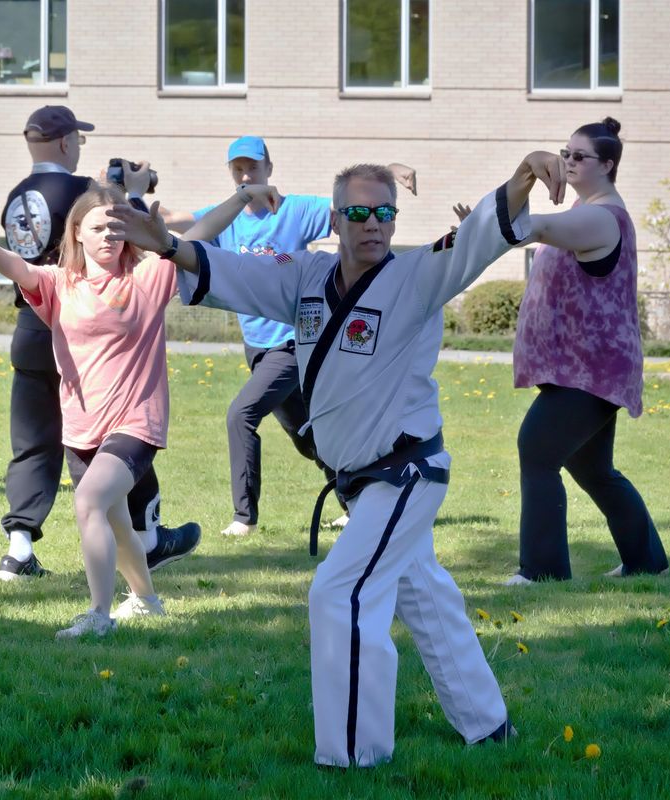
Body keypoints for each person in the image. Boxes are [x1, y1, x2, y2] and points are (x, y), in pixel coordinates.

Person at [104, 153, 568, 766]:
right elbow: (235, 272)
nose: (372, 223)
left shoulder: (419, 275)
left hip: (405, 474)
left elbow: (477, 239)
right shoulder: (306, 277)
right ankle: (489, 726)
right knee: (426, 599)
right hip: (359, 481)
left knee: (339, 593)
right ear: (334, 217)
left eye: (383, 212)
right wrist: (167, 244)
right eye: (357, 213)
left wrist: (524, 175)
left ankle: (353, 756)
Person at [0, 178, 279, 638]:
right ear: (76, 233)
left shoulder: (148, 277)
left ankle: (98, 615)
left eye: (116, 227)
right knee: (117, 521)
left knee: (89, 501)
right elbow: (21, 269)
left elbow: (201, 233)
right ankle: (146, 600)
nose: (108, 235)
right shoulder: (59, 284)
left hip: (136, 422)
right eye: (97, 227)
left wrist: (243, 196)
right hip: (81, 427)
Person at [162, 136, 417, 536]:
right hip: (257, 347)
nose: (247, 175)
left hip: (293, 343)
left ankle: (243, 518)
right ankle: (358, 498)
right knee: (308, 436)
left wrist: (391, 170)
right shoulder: (227, 215)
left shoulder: (293, 209)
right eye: (238, 169)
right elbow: (175, 221)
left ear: (269, 169)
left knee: (241, 415)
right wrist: (130, 196)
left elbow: (352, 209)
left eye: (253, 167)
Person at [0, 105, 200, 581]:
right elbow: (129, 229)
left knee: (34, 442)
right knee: (119, 428)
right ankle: (149, 537)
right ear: (67, 142)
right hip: (87, 325)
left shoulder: (17, 195)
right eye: (78, 141)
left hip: (33, 327)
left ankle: (19, 546)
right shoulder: (83, 191)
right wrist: (133, 191)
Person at [509, 117, 668, 583]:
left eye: (580, 156)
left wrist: (519, 182)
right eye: (566, 154)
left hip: (591, 370)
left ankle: (541, 571)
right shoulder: (587, 209)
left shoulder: (601, 217)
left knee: (537, 450)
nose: (569, 162)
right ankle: (646, 562)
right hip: (580, 369)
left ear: (608, 165)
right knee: (594, 469)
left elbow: (534, 227)